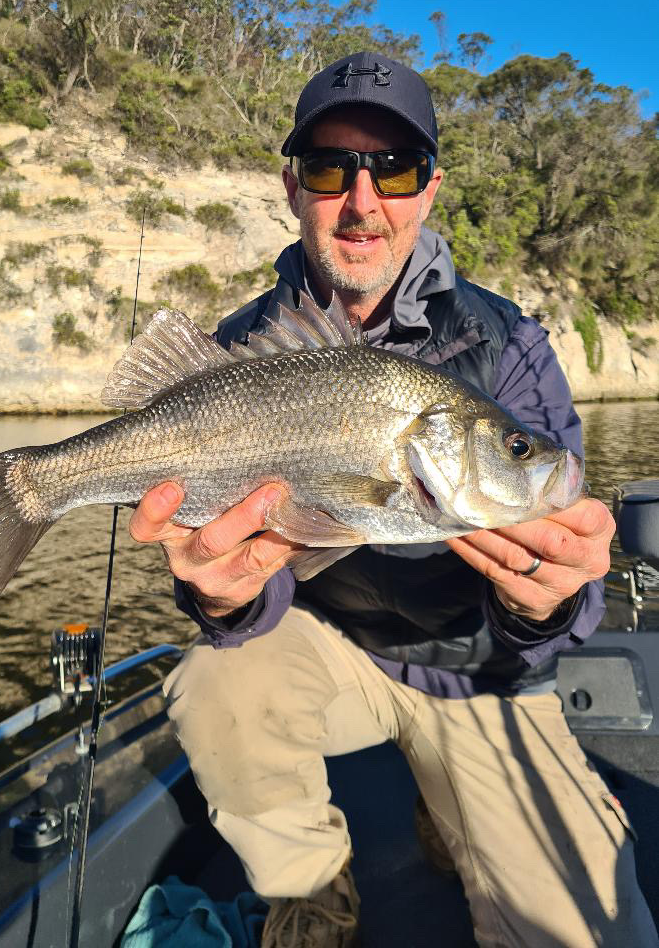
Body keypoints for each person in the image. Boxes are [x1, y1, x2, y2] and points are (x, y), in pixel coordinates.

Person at [128, 52, 658, 947]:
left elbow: (571, 603)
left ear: (431, 189)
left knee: (599, 936)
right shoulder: (243, 350)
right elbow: (245, 589)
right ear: (293, 186)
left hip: (481, 675)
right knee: (213, 681)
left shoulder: (509, 347)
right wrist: (221, 595)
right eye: (332, 168)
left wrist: (551, 601)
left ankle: (448, 808)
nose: (362, 202)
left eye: (395, 170)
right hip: (329, 652)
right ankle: (311, 884)